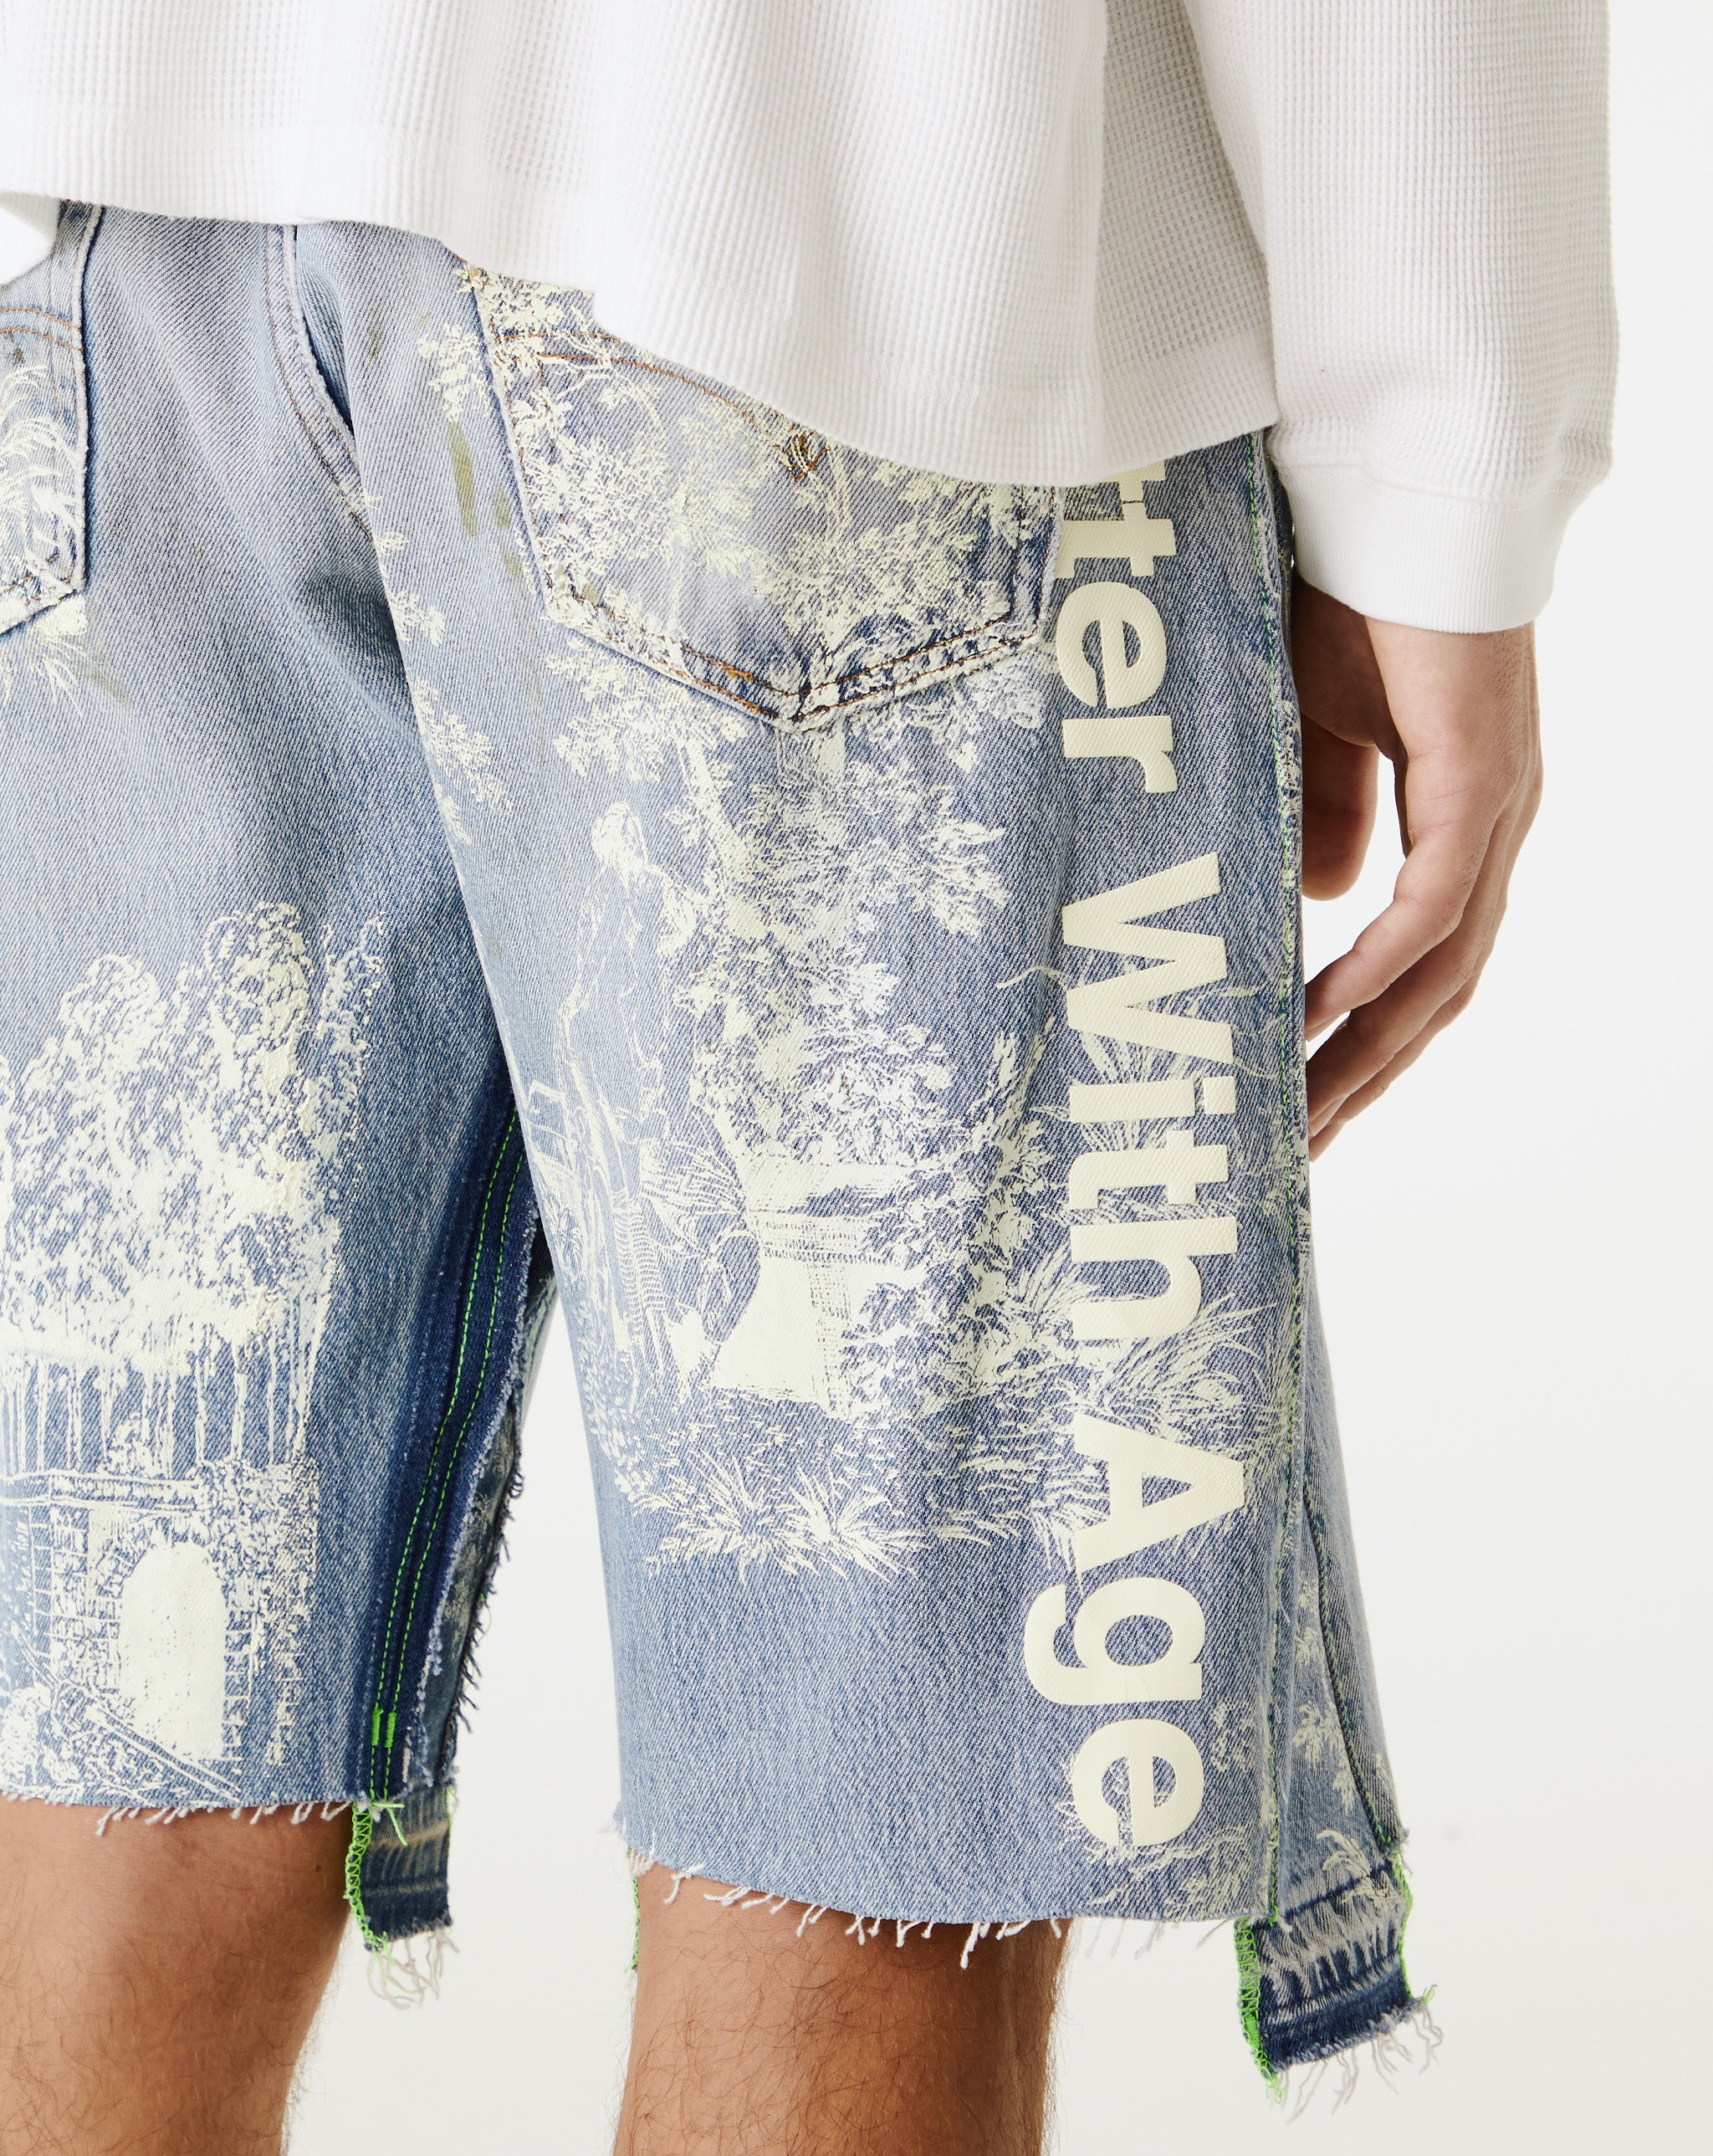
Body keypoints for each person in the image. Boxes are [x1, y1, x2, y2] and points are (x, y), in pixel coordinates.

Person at [0, 5, 1612, 2151]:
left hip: (113, 237)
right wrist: (1444, 472)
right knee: (863, 1826)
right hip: (837, 213)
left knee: (133, 1708)